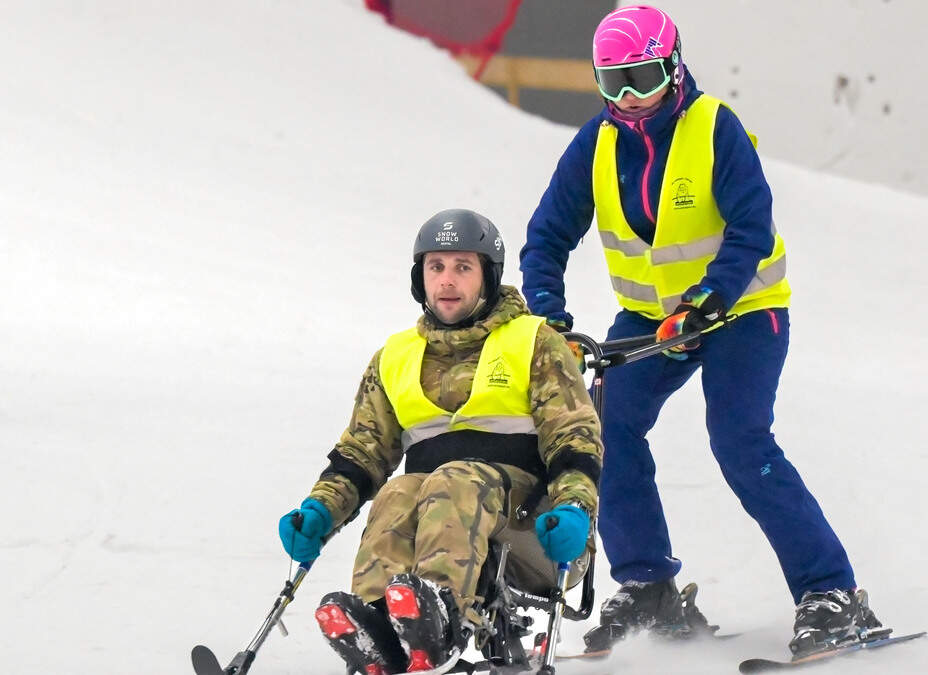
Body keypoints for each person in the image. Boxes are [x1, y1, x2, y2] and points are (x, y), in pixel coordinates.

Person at [519, 5, 885, 657]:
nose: (630, 97)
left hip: (743, 310)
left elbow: (752, 226)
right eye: (613, 82)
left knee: (739, 438)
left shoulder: (714, 126)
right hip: (653, 319)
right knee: (604, 429)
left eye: (643, 77)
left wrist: (709, 299)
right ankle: (648, 585)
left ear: (674, 66)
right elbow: (546, 236)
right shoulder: (596, 144)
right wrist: (550, 316)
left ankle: (832, 593)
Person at [278, 209, 603, 674]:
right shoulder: (396, 358)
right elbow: (361, 454)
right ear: (420, 277)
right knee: (398, 492)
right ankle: (382, 630)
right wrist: (321, 511)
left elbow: (574, 437)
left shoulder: (535, 342)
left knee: (454, 479)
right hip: (442, 513)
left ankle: (439, 620)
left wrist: (574, 509)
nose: (447, 280)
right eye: (436, 267)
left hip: (537, 532)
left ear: (488, 276)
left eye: (462, 267)